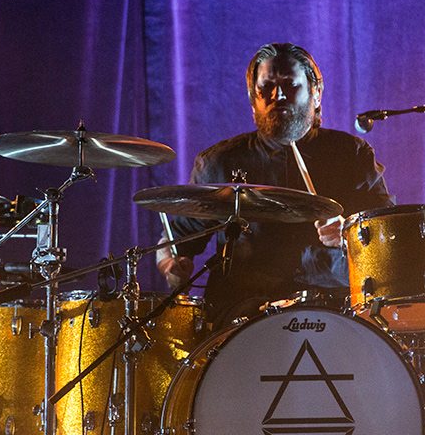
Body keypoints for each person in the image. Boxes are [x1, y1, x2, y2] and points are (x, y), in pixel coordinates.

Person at [156, 43, 393, 330]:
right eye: (266, 87)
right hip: (244, 316)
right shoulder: (220, 163)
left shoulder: (351, 155)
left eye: (290, 85)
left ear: (316, 93)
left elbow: (389, 240)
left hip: (337, 312)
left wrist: (349, 235)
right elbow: (173, 244)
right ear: (252, 98)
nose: (278, 95)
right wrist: (171, 266)